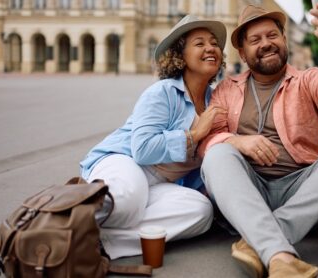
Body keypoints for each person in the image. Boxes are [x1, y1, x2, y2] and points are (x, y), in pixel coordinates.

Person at [199, 4, 318, 278]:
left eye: (272, 36)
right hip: (249, 191)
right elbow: (206, 140)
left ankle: (261, 240)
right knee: (217, 154)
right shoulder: (226, 90)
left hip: (301, 189)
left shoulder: (306, 80)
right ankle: (280, 256)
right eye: (255, 40)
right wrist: (238, 142)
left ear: (284, 40)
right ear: (243, 53)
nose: (266, 44)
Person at [79, 15, 227, 259]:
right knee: (127, 200)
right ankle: (54, 218)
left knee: (200, 211)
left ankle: (99, 241)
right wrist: (195, 134)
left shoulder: (218, 101)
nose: (211, 48)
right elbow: (143, 149)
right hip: (125, 161)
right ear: (181, 56)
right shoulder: (163, 92)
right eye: (199, 44)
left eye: (214, 43)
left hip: (161, 184)